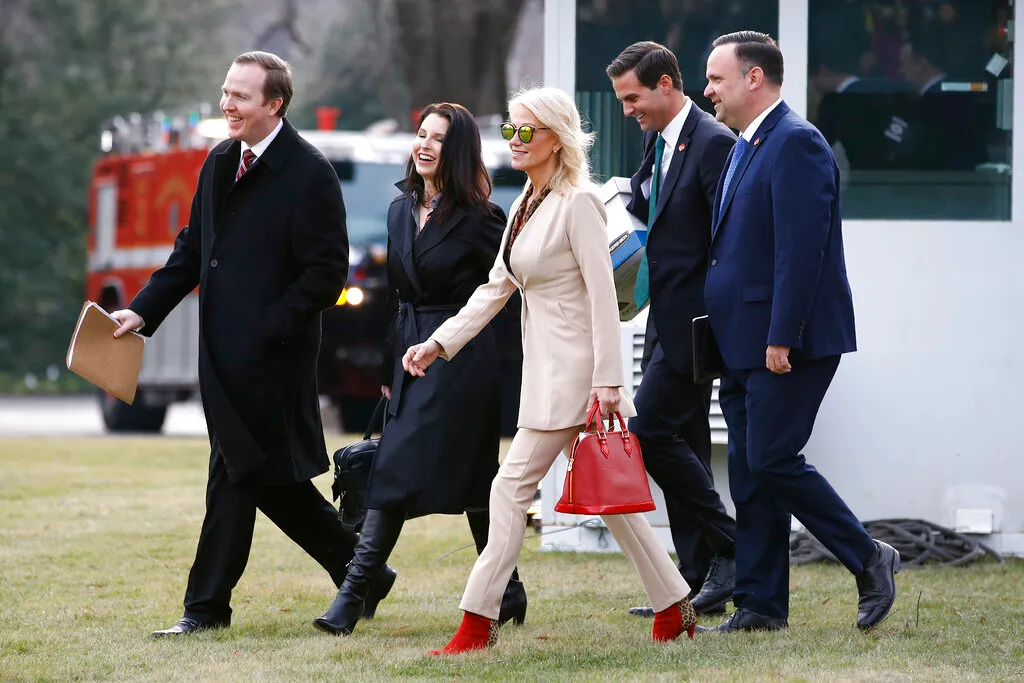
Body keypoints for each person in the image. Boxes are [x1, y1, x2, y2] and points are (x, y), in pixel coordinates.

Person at [403, 86, 696, 656]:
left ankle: (477, 621)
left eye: (524, 131)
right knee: (610, 499)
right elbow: (496, 288)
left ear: (556, 139)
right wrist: (438, 343)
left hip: (578, 377)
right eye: (509, 130)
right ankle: (674, 604)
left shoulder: (578, 203)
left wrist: (608, 381)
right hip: (547, 374)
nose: (513, 141)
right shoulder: (524, 202)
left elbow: (604, 299)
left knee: (508, 489)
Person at [111, 51, 395, 636]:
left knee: (234, 473)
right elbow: (192, 250)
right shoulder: (220, 160)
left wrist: (267, 327)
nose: (227, 104)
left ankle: (205, 610)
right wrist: (142, 310)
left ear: (275, 104)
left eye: (240, 96)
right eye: (226, 92)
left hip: (273, 361)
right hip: (220, 356)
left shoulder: (310, 172)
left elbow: (325, 276)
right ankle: (363, 572)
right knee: (267, 478)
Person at [699, 31, 899, 633]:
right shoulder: (746, 145)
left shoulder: (796, 142)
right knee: (750, 474)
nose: (708, 90)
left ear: (754, 78)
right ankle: (761, 606)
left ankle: (868, 556)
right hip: (740, 343)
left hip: (786, 343)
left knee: (771, 458)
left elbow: (801, 251)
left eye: (716, 79)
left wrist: (782, 335)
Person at [312, 102, 527, 636]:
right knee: (475, 481)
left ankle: (351, 597)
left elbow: (500, 295)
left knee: (399, 471)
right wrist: (391, 367)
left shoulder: (483, 218)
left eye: (438, 138)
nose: (425, 145)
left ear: (458, 151)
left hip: (461, 357)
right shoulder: (398, 210)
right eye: (421, 134)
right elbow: (395, 299)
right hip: (410, 355)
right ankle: (509, 590)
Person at [606, 41, 738, 618]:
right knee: (684, 441)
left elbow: (728, 240)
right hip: (661, 318)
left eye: (633, 98)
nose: (627, 110)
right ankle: (694, 580)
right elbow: (646, 204)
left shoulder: (714, 142)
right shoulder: (657, 138)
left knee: (649, 432)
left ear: (665, 85)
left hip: (696, 326)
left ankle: (731, 547)